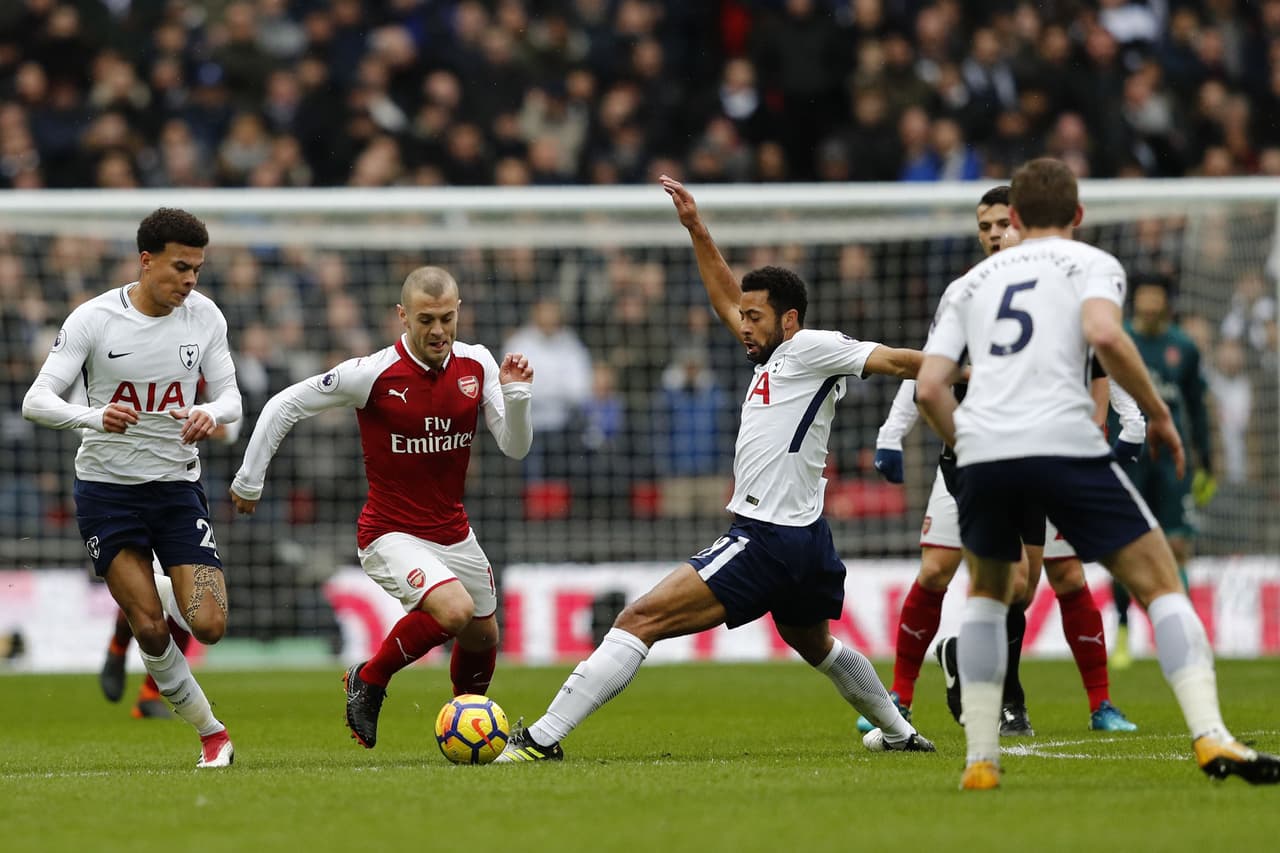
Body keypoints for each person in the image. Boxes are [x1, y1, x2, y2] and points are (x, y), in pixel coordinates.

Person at [495, 176, 935, 763]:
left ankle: (540, 739)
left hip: (765, 537)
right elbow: (726, 297)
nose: (741, 324)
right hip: (805, 537)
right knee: (815, 643)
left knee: (639, 618)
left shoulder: (812, 349)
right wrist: (697, 229)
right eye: (744, 316)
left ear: (790, 320)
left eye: (755, 317)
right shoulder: (778, 353)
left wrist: (982, 373)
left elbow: (898, 360)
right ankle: (902, 734)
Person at [915, 157, 1279, 789]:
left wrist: (966, 442)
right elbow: (1104, 332)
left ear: (1017, 218)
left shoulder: (969, 285)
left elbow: (927, 388)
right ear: (1079, 216)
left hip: (987, 452)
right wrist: (1160, 415)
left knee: (985, 597)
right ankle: (1211, 736)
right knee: (1159, 580)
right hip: (1063, 443)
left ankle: (980, 759)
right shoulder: (1092, 264)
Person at [864, 186, 1138, 736]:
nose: (993, 233)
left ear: (1022, 223)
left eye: (1001, 223)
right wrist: (892, 433)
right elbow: (927, 366)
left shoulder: (1060, 285)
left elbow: (1101, 355)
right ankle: (900, 696)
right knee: (939, 570)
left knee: (1045, 579)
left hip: (1048, 448)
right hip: (969, 452)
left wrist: (1130, 421)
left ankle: (1091, 703)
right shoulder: (965, 291)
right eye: (984, 225)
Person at [229, 266, 533, 749]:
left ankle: (467, 733)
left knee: (483, 637)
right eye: (426, 319)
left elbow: (515, 447)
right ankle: (368, 681)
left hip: (453, 532)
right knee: (454, 611)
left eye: (447, 318)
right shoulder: (372, 373)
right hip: (389, 533)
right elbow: (284, 404)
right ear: (402, 316)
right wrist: (249, 479)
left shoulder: (476, 364)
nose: (438, 331)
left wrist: (516, 396)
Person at [22, 208, 241, 769]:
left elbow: (232, 400)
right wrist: (93, 417)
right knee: (146, 624)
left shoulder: (205, 317)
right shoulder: (94, 320)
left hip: (175, 487)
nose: (191, 280)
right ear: (146, 261)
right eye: (180, 267)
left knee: (210, 625)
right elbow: (37, 400)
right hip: (107, 490)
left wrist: (208, 414)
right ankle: (212, 735)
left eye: (197, 269)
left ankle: (162, 586)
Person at [1109, 272, 1212, 669]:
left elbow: (1196, 405)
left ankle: (1185, 635)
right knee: (1123, 546)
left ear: (1167, 303)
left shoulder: (1183, 348)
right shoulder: (1118, 341)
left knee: (1178, 545)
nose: (1150, 305)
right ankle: (1121, 630)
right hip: (1127, 453)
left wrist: (1208, 462)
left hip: (1171, 457)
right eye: (1145, 298)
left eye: (1157, 298)